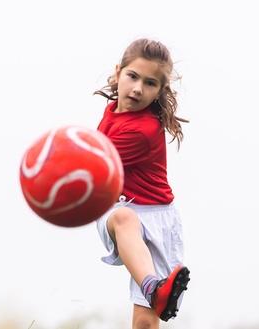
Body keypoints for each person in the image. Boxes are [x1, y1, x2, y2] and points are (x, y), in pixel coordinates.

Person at [94, 38, 190, 329]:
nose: (137, 88)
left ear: (161, 90)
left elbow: (94, 165)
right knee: (124, 217)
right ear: (117, 73)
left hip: (159, 219)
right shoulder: (112, 111)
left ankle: (153, 292)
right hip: (123, 212)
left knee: (146, 322)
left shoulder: (143, 131)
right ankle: (152, 286)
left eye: (149, 83)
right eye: (132, 76)